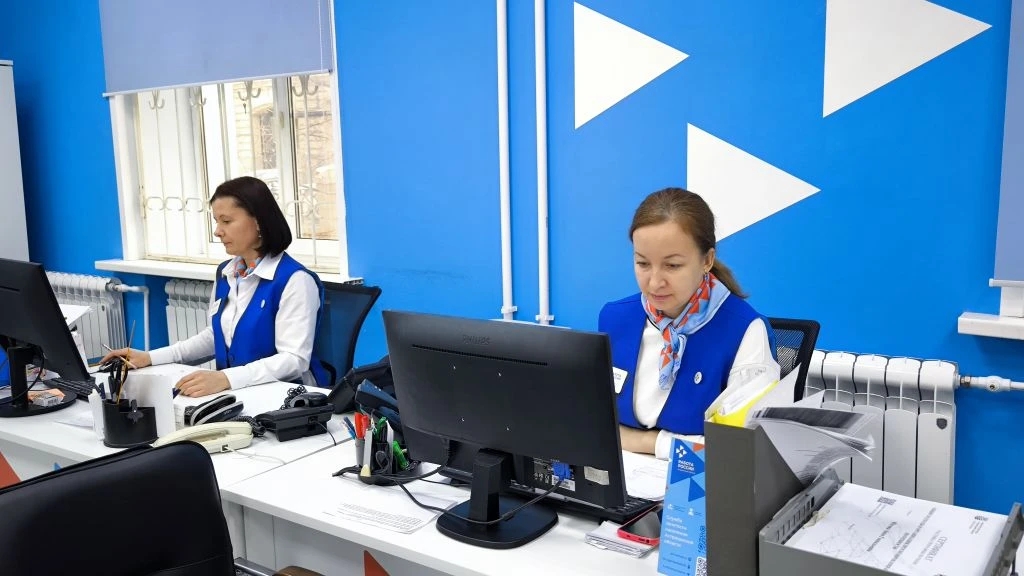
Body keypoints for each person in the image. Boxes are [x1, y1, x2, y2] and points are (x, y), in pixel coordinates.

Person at [101, 176, 330, 397]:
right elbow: (216, 336)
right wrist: (150, 357)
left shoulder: (295, 280)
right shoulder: (226, 273)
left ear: (259, 222)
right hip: (240, 392)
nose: (218, 231)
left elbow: (293, 360)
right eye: (217, 222)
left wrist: (226, 379)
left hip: (286, 397)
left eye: (226, 221)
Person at [599, 187, 779, 459]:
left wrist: (647, 442)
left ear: (707, 260)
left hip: (699, 482)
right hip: (622, 475)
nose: (655, 282)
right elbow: (594, 419)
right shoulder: (614, 318)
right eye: (643, 263)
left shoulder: (745, 331)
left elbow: (743, 451)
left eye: (672, 266)